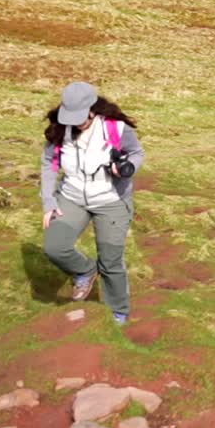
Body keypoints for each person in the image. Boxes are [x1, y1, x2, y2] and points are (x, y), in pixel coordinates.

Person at [39, 81, 144, 324]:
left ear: (92, 110)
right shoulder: (59, 131)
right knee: (55, 247)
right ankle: (85, 270)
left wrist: (125, 170)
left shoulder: (116, 128)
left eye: (80, 117)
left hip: (111, 200)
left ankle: (117, 313)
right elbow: (48, 164)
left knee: (110, 261)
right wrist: (48, 200)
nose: (74, 122)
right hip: (72, 197)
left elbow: (137, 153)